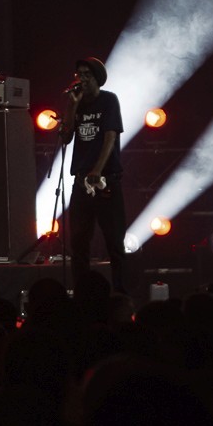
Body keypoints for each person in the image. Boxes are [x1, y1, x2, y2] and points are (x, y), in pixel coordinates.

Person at [62, 55, 129, 293]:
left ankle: (121, 293)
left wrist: (97, 170)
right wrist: (72, 106)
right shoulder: (77, 102)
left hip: (105, 180)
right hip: (81, 182)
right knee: (78, 243)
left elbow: (111, 136)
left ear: (97, 78)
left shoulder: (108, 100)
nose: (82, 79)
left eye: (87, 74)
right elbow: (65, 137)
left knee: (114, 242)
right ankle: (82, 293)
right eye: (79, 74)